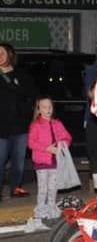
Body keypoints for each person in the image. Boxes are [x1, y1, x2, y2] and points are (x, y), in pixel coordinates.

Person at [26, 96, 72, 230]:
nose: (48, 110)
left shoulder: (57, 123)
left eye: (50, 107)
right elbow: (31, 143)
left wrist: (63, 145)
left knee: (53, 188)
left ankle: (51, 211)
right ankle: (40, 213)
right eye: (44, 107)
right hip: (41, 162)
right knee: (43, 189)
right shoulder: (36, 125)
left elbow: (67, 137)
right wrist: (47, 148)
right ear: (39, 109)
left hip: (55, 162)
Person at [0, 42, 36, 200]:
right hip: (1, 128)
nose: (0, 56)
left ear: (10, 55)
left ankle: (16, 188)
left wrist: (34, 121)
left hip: (21, 127)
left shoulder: (22, 75)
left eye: (2, 53)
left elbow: (34, 97)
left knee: (18, 162)